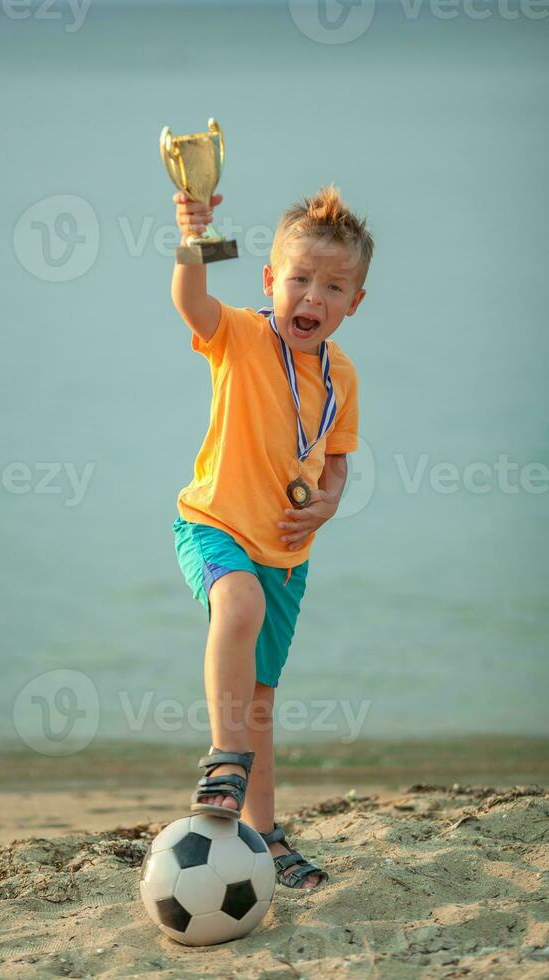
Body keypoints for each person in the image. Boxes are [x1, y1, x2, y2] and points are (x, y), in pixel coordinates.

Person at [170, 184, 374, 890]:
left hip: (287, 554)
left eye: (333, 286)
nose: (311, 297)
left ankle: (264, 832)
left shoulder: (342, 375)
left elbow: (337, 462)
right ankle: (223, 759)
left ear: (355, 302)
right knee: (238, 608)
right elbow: (190, 306)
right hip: (213, 523)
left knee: (261, 698)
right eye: (299, 279)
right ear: (269, 282)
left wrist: (325, 505)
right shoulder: (242, 337)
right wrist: (193, 239)